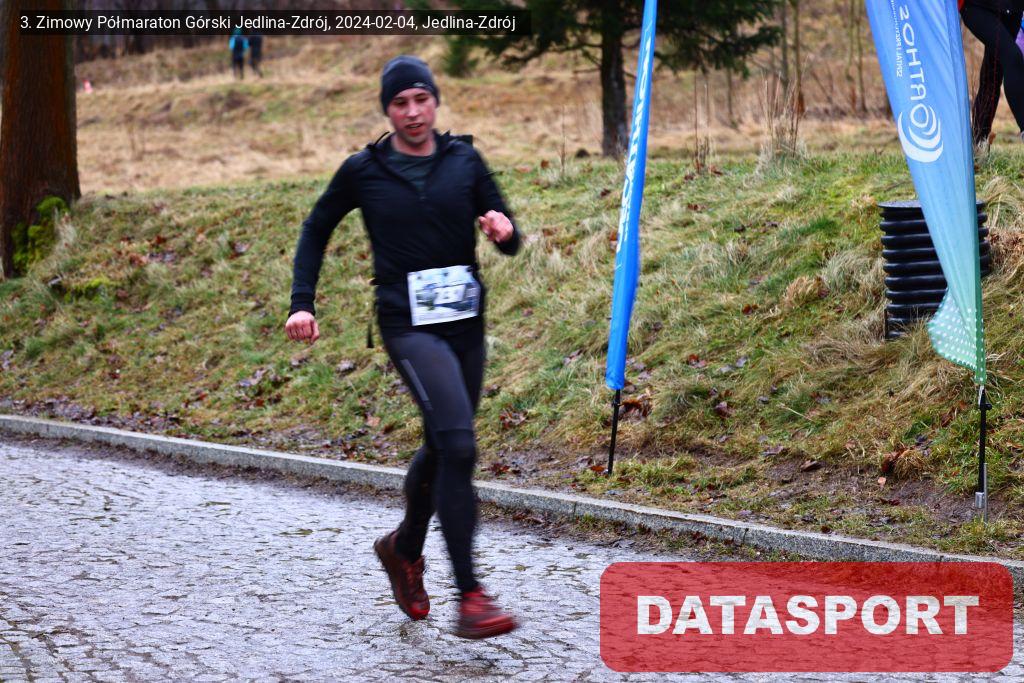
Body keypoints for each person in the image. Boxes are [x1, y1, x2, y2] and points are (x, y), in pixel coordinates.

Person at [285, 55, 522, 639]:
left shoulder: (464, 159)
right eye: (400, 103)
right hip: (407, 325)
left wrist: (504, 231)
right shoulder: (364, 171)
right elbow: (316, 228)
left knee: (444, 444)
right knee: (459, 444)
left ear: (435, 101)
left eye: (422, 99)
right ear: (387, 110)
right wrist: (302, 301)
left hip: (464, 321)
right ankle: (471, 595)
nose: (413, 112)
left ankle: (402, 549)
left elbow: (508, 231)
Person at [962, 0, 1024, 143]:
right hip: (977, 6)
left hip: (1013, 9)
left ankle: (978, 142)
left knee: (993, 73)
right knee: (1012, 57)